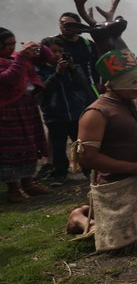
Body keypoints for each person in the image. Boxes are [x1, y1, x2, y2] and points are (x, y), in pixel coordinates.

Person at [69, 49, 137, 250]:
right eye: (132, 82)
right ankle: (80, 218)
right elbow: (88, 158)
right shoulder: (96, 113)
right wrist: (135, 167)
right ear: (113, 82)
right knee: (129, 239)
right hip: (116, 183)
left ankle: (95, 211)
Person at [0, 28, 53, 202]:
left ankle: (28, 182)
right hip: (7, 112)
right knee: (11, 150)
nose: (11, 47)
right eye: (7, 44)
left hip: (26, 108)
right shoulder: (15, 60)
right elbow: (10, 79)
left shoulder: (16, 58)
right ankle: (13, 189)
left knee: (30, 144)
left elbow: (47, 57)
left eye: (13, 44)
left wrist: (37, 47)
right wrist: (22, 57)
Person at [35, 37, 93, 185]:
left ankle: (89, 170)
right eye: (53, 51)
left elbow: (83, 85)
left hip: (75, 112)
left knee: (81, 145)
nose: (58, 54)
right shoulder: (40, 69)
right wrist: (57, 73)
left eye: (60, 51)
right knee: (58, 147)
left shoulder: (72, 67)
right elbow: (44, 91)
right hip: (55, 115)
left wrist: (72, 68)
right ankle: (60, 173)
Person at [56, 11, 99, 95]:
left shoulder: (88, 44)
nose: (65, 26)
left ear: (78, 26)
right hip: (61, 90)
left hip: (87, 89)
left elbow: (96, 66)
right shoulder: (51, 43)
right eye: (62, 23)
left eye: (69, 24)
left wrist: (98, 84)